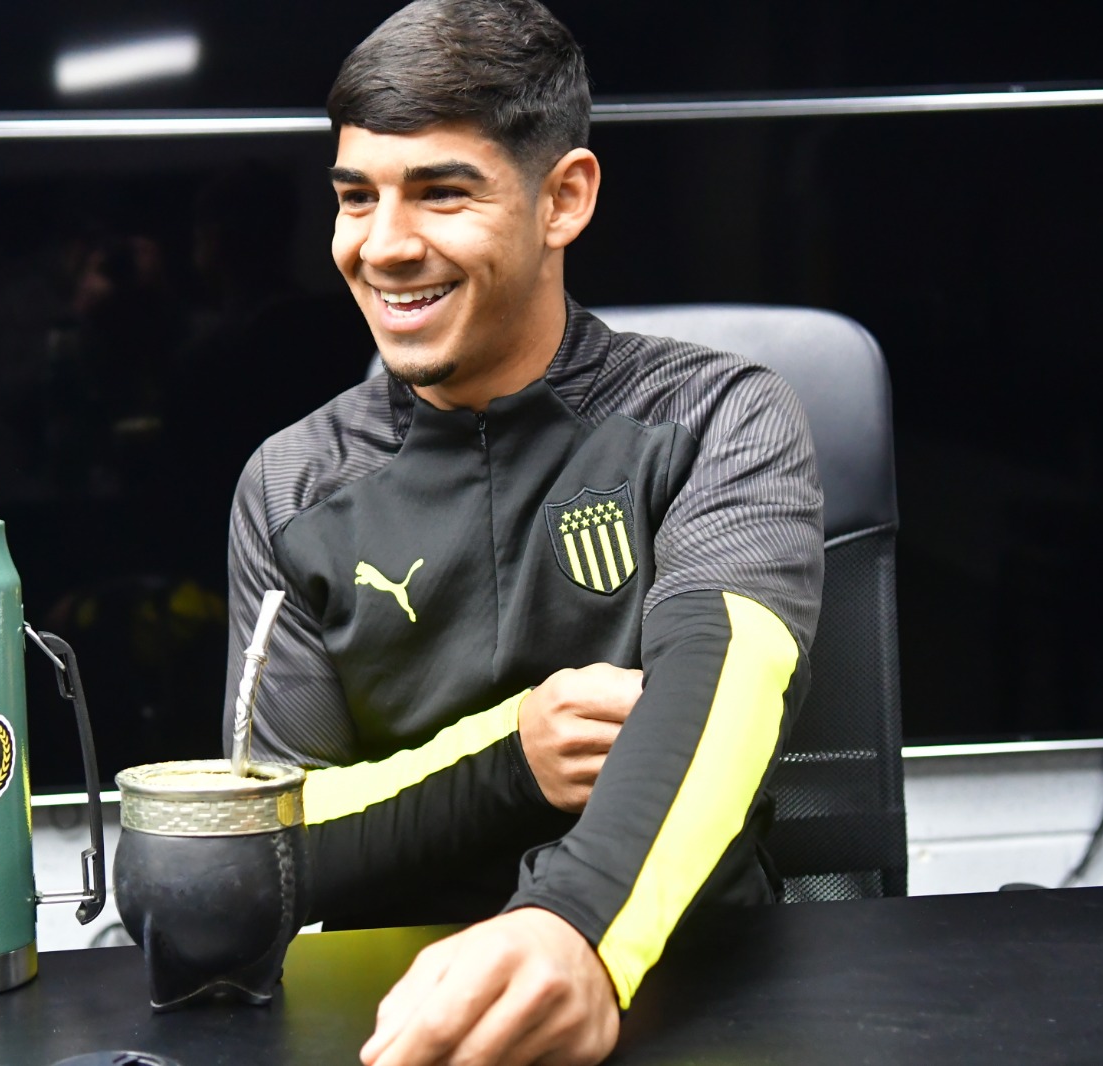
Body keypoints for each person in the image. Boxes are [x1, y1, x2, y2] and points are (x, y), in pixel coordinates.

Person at [223, 2, 823, 1063]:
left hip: (687, 980)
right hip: (397, 1012)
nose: (385, 244)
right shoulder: (290, 483)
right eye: (356, 197)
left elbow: (725, 676)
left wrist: (580, 930)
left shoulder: (720, 415)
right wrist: (510, 752)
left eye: (442, 192)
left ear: (564, 199)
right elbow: (268, 842)